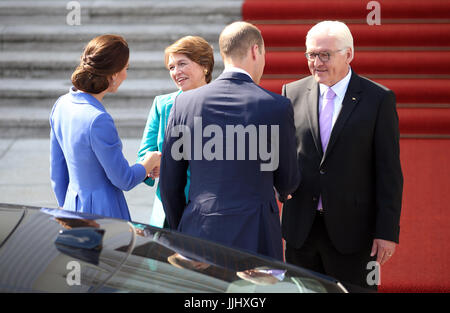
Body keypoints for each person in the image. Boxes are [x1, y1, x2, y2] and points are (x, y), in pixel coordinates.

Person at [159, 21, 300, 260]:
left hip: (199, 227)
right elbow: (288, 179)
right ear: (256, 51)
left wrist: (181, 227)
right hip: (257, 232)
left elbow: (170, 184)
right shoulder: (276, 106)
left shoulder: (183, 103)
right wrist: (284, 191)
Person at [281, 21, 403, 291]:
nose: (316, 62)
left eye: (325, 54)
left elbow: (389, 172)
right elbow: (286, 154)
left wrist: (386, 232)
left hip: (353, 234)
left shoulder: (378, 99)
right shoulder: (292, 92)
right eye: (311, 54)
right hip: (301, 230)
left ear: (348, 55)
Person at [50, 34, 161, 221]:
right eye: (126, 68)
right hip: (104, 215)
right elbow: (124, 179)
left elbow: (57, 171)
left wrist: (66, 208)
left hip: (71, 206)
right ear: (114, 75)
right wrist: (149, 161)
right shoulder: (99, 120)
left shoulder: (61, 104)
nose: (126, 74)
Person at [137, 36, 214, 228]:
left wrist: (170, 166)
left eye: (182, 64)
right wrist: (151, 165)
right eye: (171, 67)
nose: (176, 72)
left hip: (211, 210)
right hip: (168, 212)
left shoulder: (222, 104)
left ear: (204, 65)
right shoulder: (162, 105)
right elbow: (144, 155)